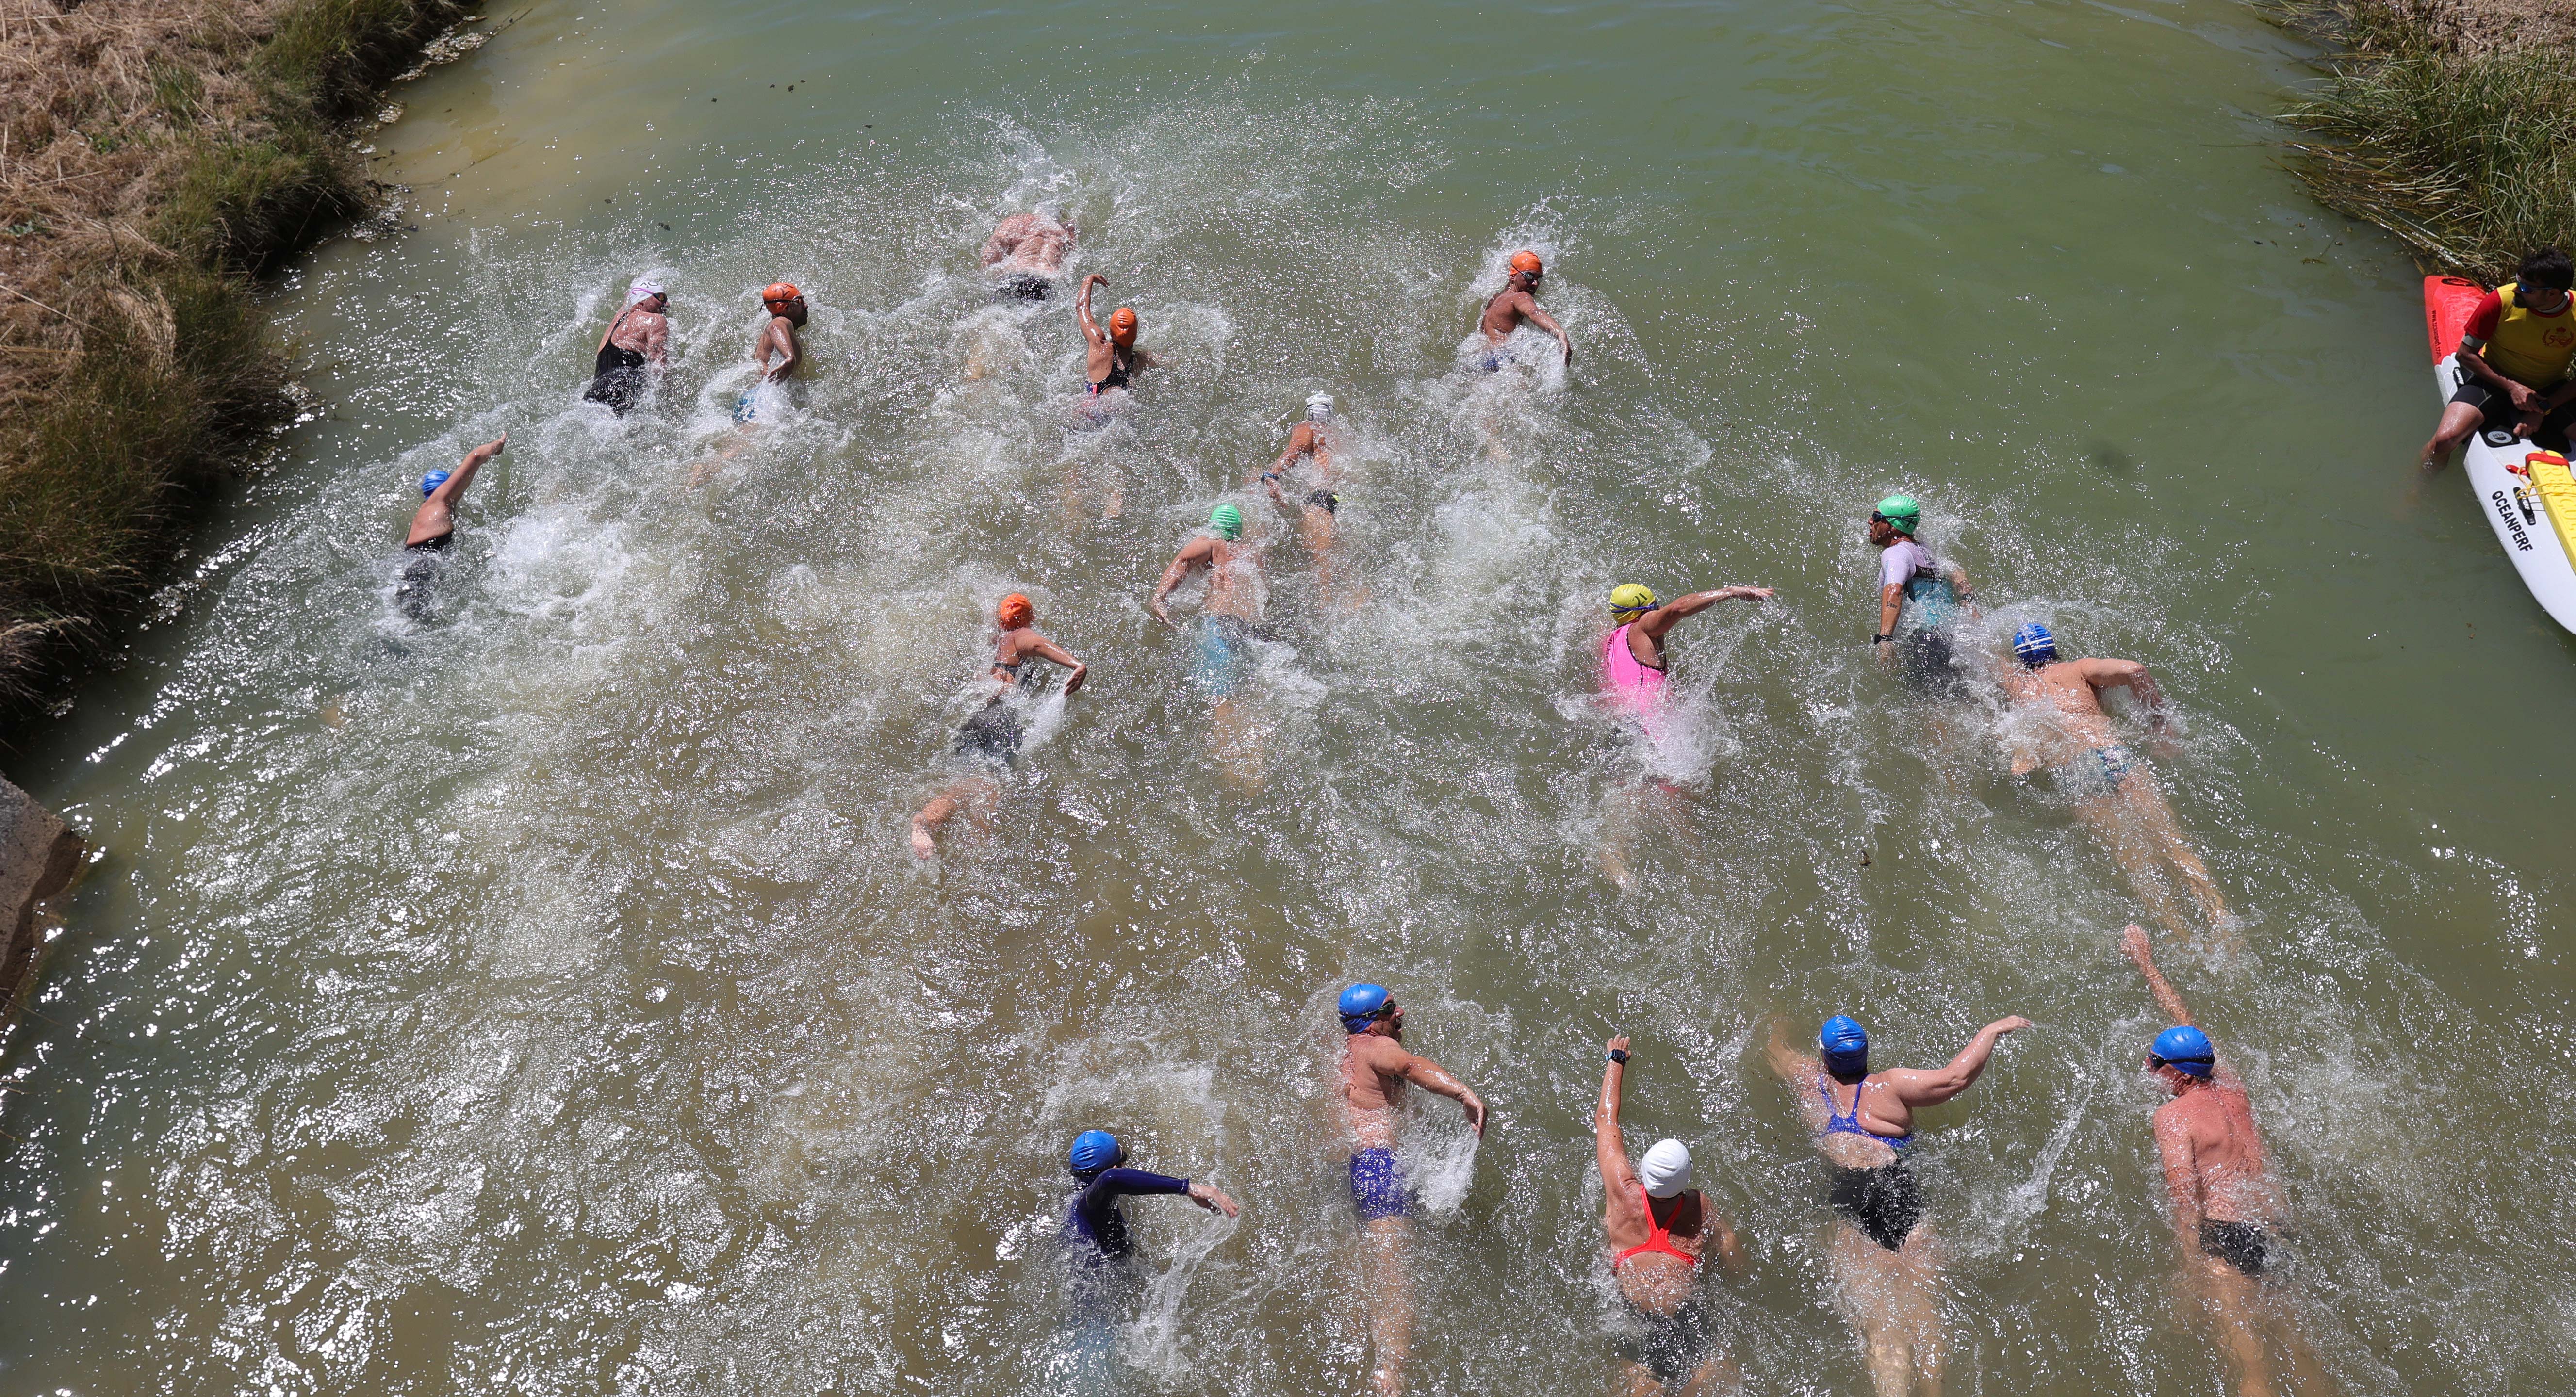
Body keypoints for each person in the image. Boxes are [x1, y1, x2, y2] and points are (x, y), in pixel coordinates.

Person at [2120, 926, 2336, 1397]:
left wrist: (2188, 1267)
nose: (2148, 1069)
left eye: (2153, 1063)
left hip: (2228, 1235)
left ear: (2175, 1074)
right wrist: (2146, 964)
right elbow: (2188, 1023)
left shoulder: (2173, 1118)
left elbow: (2183, 1198)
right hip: (2274, 1224)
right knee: (2301, 1352)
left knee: (2249, 1363)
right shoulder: (2232, 1083)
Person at [1766, 1011, 2030, 1397]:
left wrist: (1777, 1024)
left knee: (1883, 1330)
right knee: (1926, 1321)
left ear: (1824, 1058)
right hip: (1900, 1193)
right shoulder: (1888, 1087)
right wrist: (1991, 1030)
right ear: (1866, 1053)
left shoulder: (1809, 1082)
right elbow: (1955, 1078)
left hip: (1852, 1202)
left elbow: (1776, 1051)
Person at [2001, 623, 2231, 944]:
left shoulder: (2016, 685)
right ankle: (2221, 920)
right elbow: (2135, 670)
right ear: (2054, 650)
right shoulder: (2079, 669)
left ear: (2021, 661)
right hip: (2113, 755)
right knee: (2172, 843)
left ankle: (2185, 940)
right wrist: (2158, 725)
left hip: (2075, 771)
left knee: (2138, 865)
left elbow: (2020, 762)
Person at [1337, 983, 1490, 1397]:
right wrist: (1463, 1093)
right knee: (1396, 1278)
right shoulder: (1376, 1047)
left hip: (1363, 1166)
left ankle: (1359, 1355)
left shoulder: (1347, 1054)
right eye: (1390, 1008)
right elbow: (1409, 1067)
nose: (1400, 1011)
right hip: (1383, 1167)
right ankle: (1391, 1378)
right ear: (1372, 1022)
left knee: (1373, 1263)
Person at [1596, 1034, 1745, 1397]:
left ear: (1642, 1171)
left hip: (1631, 1316)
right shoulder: (1700, 1206)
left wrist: (1616, 1059)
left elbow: (1605, 1120)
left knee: (1637, 1383)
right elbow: (1731, 1255)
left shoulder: (1622, 1193)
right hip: (1687, 1318)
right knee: (1721, 1372)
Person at [909, 593, 1087, 860]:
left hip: (978, 718)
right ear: (1028, 618)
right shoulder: (1018, 635)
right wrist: (1077, 665)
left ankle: (973, 855)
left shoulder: (996, 643)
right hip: (999, 720)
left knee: (987, 790)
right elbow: (1037, 645)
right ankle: (924, 821)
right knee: (984, 781)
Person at [1057, 1129, 1238, 1391]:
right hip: (1099, 1308)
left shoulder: (1076, 1201)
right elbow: (1110, 1180)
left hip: (1090, 1288)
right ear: (1118, 1166)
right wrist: (1189, 1188)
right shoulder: (1095, 1198)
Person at [2421, 247, 2576, 468]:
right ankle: (2415, 492)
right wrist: (2513, 387)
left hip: (2549, 389)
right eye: (2518, 281)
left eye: (2526, 288)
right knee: (2444, 440)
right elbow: (2465, 355)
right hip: (2495, 380)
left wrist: (2544, 409)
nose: (2517, 290)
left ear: (2552, 293)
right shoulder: (2499, 301)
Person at [1601, 582, 1777, 737]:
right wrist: (1731, 592)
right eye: (1656, 607)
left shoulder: (1611, 642)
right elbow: (1678, 608)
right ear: (1645, 611)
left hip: (1620, 726)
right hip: (1642, 730)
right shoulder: (1643, 626)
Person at [688, 284, 807, 488]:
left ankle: (701, 477)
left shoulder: (775, 331)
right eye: (799, 302)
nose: (805, 306)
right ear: (783, 306)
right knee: (735, 454)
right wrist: (789, 358)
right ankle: (696, 479)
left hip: (753, 400)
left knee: (740, 452)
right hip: (763, 401)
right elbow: (776, 327)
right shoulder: (781, 321)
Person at [1863, 496, 1975, 682]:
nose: (1870, 521)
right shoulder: (1923, 549)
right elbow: (1957, 573)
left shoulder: (1896, 553)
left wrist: (1885, 640)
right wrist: (1969, 602)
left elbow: (1895, 590)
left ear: (1892, 526)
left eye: (1876, 517)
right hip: (1952, 633)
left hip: (1927, 638)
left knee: (1930, 706)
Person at [395, 434, 504, 618]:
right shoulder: (440, 502)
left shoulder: (429, 514)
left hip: (417, 573)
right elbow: (476, 457)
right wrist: (498, 445)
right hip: (421, 573)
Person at [1256, 393, 1344, 605]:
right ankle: (1349, 606)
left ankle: (1326, 612)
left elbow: (1294, 452)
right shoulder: (1342, 436)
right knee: (1342, 563)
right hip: (1342, 496)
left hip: (1321, 497)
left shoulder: (1308, 428)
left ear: (1310, 412)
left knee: (1323, 566)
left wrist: (1272, 475)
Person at [1477, 250, 1573, 370]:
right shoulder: (1521, 297)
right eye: (1529, 276)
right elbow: (1534, 313)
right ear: (1513, 275)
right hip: (1501, 357)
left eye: (1539, 279)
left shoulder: (1496, 298)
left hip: (1481, 357)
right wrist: (1560, 333)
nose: (1535, 283)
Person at [585, 279, 669, 415]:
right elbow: (659, 367)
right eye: (661, 297)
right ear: (642, 301)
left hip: (594, 392)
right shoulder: (655, 321)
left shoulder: (615, 323)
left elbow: (628, 298)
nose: (667, 304)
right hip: (621, 388)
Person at [1076, 273, 1153, 402]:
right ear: (1135, 334)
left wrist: (1089, 279)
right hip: (1118, 410)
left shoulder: (1099, 345)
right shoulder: (1140, 359)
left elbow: (1081, 308)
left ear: (1112, 330)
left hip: (1092, 408)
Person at [982, 210, 1076, 299]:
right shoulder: (1068, 232)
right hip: (1047, 282)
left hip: (1016, 277)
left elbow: (989, 257)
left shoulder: (1017, 222)